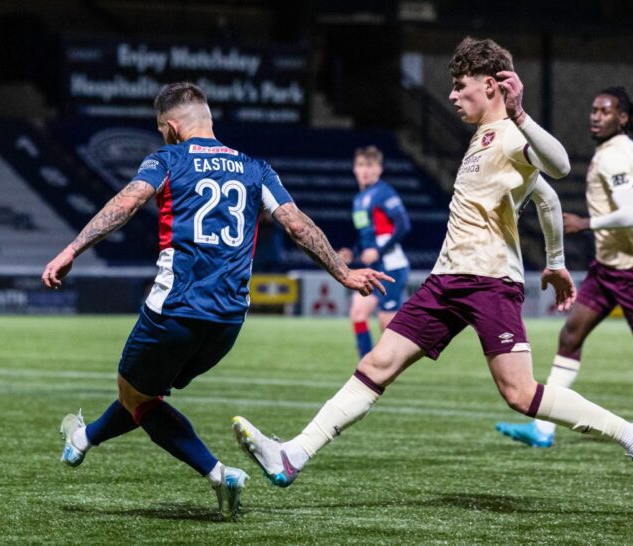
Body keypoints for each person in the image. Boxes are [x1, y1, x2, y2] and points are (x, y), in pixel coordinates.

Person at [231, 38, 633, 502]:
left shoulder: (515, 133)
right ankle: (292, 455)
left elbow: (559, 170)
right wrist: (556, 262)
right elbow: (547, 199)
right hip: (446, 280)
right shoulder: (482, 138)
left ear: (492, 85)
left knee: (519, 394)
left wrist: (520, 114)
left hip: (489, 281)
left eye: (461, 87)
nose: (454, 96)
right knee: (377, 363)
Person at [45, 82, 391, 520]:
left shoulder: (167, 159)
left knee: (138, 398)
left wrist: (72, 249)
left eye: (163, 130)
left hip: (175, 310)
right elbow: (297, 225)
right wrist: (343, 272)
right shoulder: (255, 168)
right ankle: (82, 439)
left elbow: (127, 202)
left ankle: (219, 474)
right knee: (146, 392)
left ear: (172, 127)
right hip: (227, 322)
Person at [497, 87, 633, 448]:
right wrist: (631, 206)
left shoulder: (616, 157)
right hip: (608, 265)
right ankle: (543, 431)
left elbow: (628, 215)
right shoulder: (625, 150)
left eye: (605, 111)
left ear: (622, 118)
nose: (596, 116)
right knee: (570, 336)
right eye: (593, 110)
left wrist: (585, 224)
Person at [338, 146, 411, 357]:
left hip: (391, 267)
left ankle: (392, 364)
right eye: (361, 165)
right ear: (354, 169)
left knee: (386, 323)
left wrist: (378, 251)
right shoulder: (358, 200)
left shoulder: (383, 192)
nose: (365, 171)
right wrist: (352, 252)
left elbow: (404, 225)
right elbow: (365, 237)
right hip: (373, 267)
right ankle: (366, 362)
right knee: (357, 313)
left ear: (379, 169)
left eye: (370, 166)